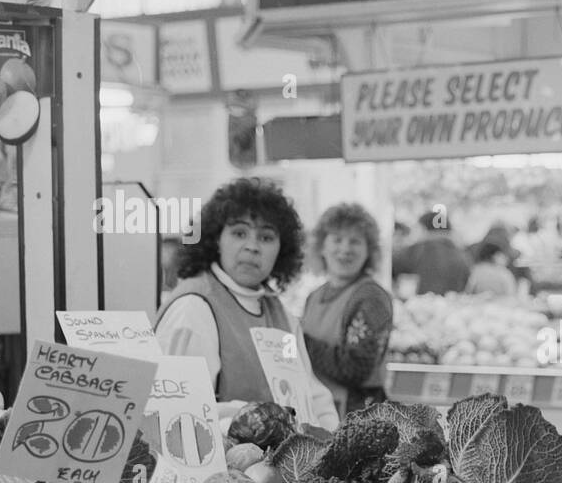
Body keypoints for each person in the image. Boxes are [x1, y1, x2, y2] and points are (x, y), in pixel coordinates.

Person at [155, 177, 338, 430]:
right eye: (239, 233)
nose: (252, 247)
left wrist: (331, 436)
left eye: (266, 237)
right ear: (215, 239)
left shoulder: (281, 315)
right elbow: (176, 414)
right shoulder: (193, 308)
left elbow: (307, 392)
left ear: (281, 249)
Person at [301, 203, 394, 419]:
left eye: (355, 241)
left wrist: (299, 341)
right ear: (322, 246)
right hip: (318, 412)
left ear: (369, 251)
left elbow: (355, 368)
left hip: (356, 419)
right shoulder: (314, 296)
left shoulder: (371, 298)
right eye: (337, 239)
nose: (345, 249)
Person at [390, 210, 471, 295]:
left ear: (423, 229)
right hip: (454, 305)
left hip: (422, 304)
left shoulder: (418, 249)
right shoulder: (462, 254)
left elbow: (391, 266)